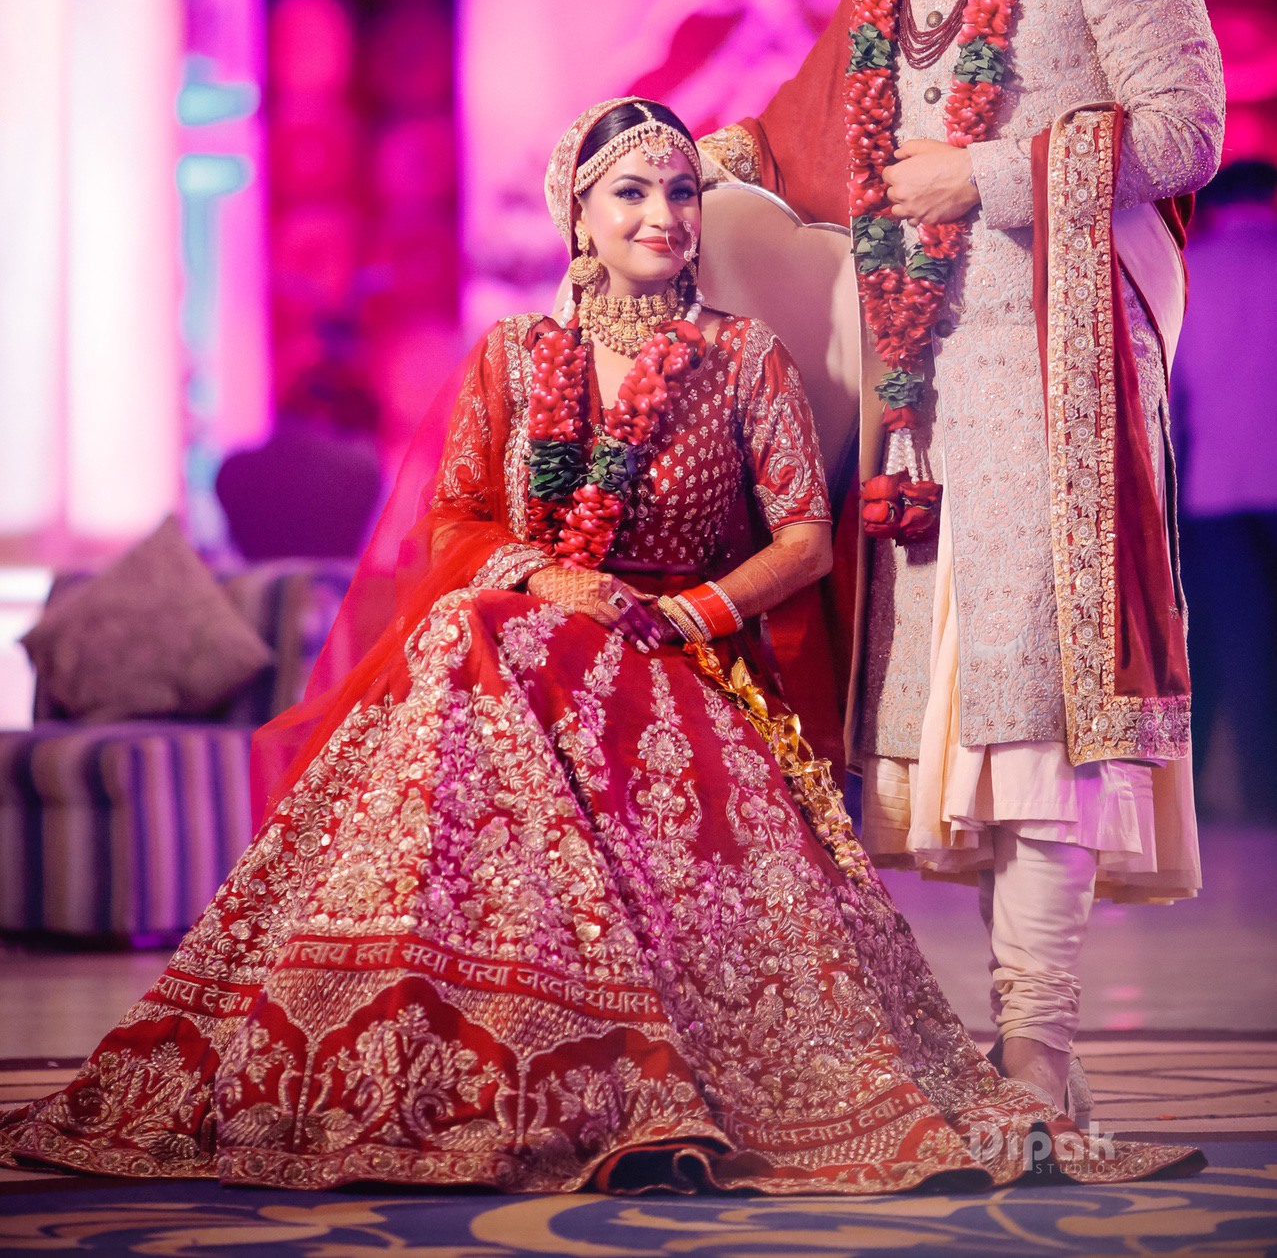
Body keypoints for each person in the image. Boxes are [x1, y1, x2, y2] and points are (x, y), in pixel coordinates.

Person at [1, 98, 1191, 1194]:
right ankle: (420, 1056)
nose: (663, 216)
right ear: (577, 213)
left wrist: (681, 613)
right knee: (481, 625)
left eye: (679, 191)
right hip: (525, 641)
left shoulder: (742, 359)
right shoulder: (514, 358)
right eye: (630, 194)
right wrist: (550, 576)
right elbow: (458, 517)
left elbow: (805, 541)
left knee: (484, 639)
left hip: (680, 657)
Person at [699, 0, 1226, 1124]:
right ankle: (948, 1057)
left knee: (1035, 706)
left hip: (1049, 378)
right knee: (941, 716)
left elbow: (1190, 130)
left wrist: (990, 174)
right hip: (910, 391)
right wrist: (665, 151)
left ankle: (1041, 1058)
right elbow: (806, 136)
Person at [1171, 158, 1277, 822]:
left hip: (1210, 490)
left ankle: (1206, 802)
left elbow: (1168, 396)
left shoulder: (1192, 272)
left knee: (1216, 644)